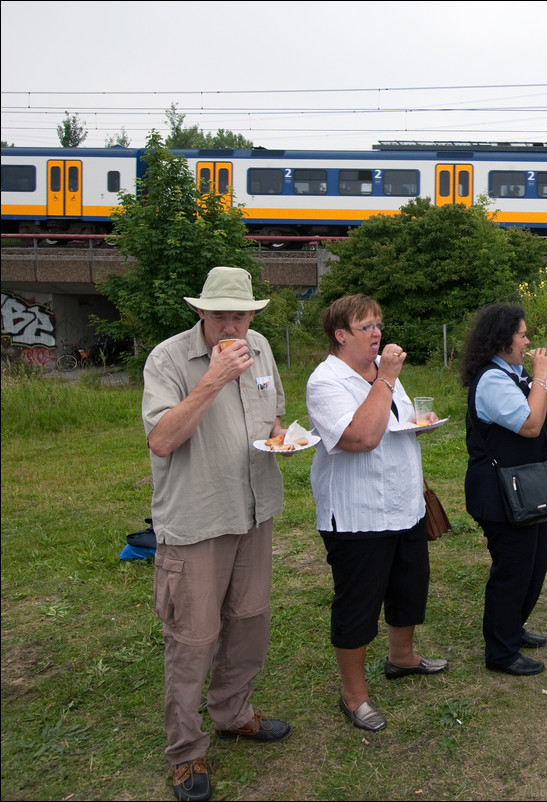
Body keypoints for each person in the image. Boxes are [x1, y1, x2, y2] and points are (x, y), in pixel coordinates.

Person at [142, 266, 291, 802]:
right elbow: (162, 440)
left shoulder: (261, 346)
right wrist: (213, 379)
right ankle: (186, 752)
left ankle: (233, 713)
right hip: (198, 519)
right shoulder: (168, 360)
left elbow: (271, 413)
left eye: (241, 314)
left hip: (254, 510)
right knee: (193, 640)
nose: (232, 325)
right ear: (200, 312)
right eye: (221, 314)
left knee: (249, 622)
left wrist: (282, 437)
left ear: (253, 314)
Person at [306, 294, 448, 734]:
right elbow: (362, 436)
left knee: (409, 585)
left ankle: (402, 657)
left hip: (403, 503)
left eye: (378, 325)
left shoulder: (381, 374)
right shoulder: (325, 381)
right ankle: (354, 695)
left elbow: (394, 422)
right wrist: (386, 378)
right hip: (357, 513)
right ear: (340, 334)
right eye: (366, 326)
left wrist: (419, 417)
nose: (377, 333)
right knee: (358, 604)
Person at [460, 304, 547, 676]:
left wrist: (537, 386)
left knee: (535, 561)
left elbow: (527, 412)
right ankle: (500, 652)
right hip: (499, 492)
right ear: (502, 341)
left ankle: (513, 629)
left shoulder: (511, 373)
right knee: (512, 569)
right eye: (521, 334)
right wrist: (542, 378)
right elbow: (530, 426)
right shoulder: (492, 381)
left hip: (525, 487)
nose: (528, 340)